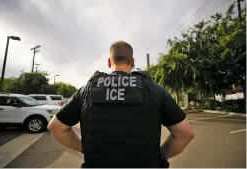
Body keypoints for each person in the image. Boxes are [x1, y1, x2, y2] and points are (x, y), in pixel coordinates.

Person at [47, 40, 195, 168]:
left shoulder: (87, 90)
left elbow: (56, 127)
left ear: (109, 62)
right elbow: (185, 133)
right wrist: (159, 155)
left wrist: (84, 148)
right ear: (132, 62)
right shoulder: (154, 90)